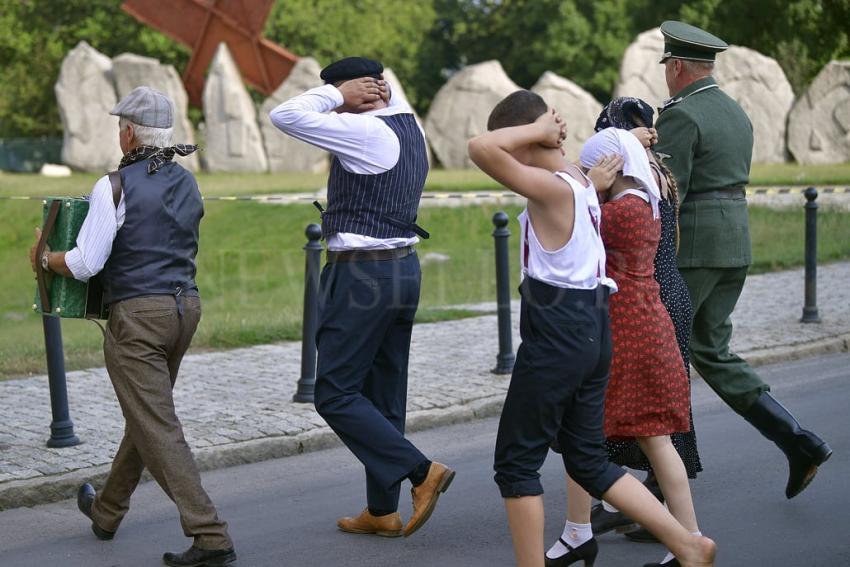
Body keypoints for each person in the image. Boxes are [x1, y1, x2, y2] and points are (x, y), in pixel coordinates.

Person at [468, 89, 716, 567]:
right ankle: (688, 544)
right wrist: (551, 134)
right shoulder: (582, 183)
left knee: (516, 463)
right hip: (592, 330)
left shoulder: (556, 188)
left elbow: (480, 148)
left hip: (557, 334)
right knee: (588, 458)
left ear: (522, 140)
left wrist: (539, 129)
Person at [29, 86, 235, 567]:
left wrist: (45, 257)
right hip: (186, 310)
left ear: (127, 134)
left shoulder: (113, 185)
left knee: (157, 425)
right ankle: (107, 511)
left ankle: (210, 534)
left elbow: (85, 264)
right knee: (148, 416)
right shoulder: (189, 182)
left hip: (139, 318)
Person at [269, 57, 453, 539]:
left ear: (360, 92)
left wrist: (337, 94)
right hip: (403, 270)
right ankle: (381, 511)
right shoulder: (408, 125)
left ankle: (421, 472)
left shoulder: (365, 131)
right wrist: (361, 89)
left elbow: (284, 115)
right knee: (385, 397)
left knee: (334, 392)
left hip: (363, 277)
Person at [654, 20, 832, 500]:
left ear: (677, 68)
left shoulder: (680, 115)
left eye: (668, 66)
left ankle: (659, 489)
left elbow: (669, 196)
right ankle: (798, 441)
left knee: (666, 358)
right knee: (710, 350)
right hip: (734, 241)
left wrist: (650, 258)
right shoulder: (735, 111)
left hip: (693, 248)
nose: (666, 74)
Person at [545, 127, 703, 567]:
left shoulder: (616, 211)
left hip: (623, 332)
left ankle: (578, 533)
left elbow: (570, 214)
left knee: (581, 433)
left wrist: (584, 178)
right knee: (656, 439)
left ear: (611, 167)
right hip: (649, 327)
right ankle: (689, 541)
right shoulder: (646, 201)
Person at [586, 98, 702, 544]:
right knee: (657, 428)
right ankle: (673, 526)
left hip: (633, 310)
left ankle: (614, 511)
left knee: (610, 426)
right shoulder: (656, 180)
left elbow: (578, 221)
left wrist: (591, 187)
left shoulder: (617, 205)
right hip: (663, 292)